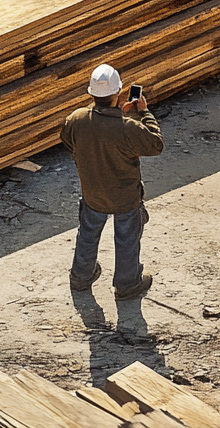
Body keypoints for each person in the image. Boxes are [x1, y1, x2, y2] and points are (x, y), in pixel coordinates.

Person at [63, 63, 163, 300]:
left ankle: (81, 277)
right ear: (117, 93)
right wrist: (143, 112)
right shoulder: (128, 127)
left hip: (93, 194)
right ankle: (127, 285)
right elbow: (155, 144)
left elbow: (70, 141)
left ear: (91, 93)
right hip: (125, 197)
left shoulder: (76, 119)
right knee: (127, 239)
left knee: (87, 234)